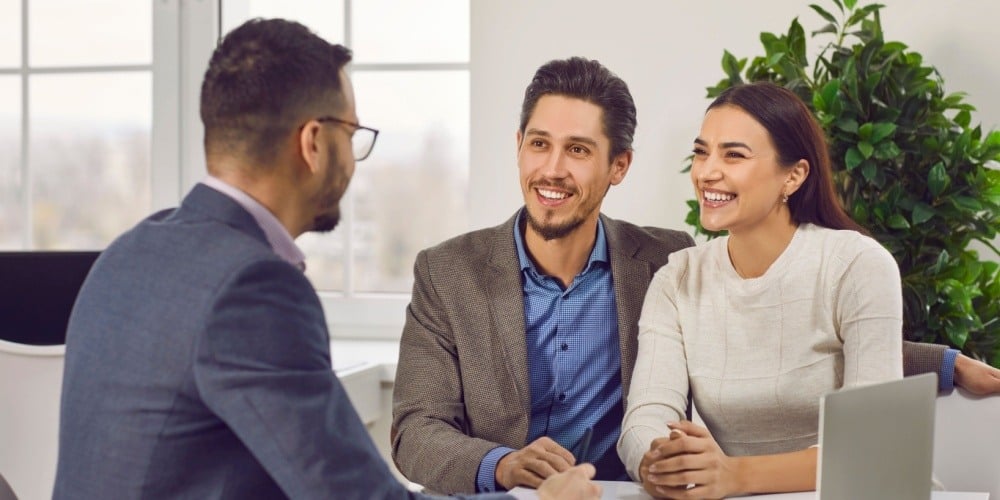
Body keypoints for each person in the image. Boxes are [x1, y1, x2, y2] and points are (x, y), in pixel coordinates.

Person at [391, 57, 1000, 497]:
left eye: (578, 150)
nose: (552, 168)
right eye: (539, 144)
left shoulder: (660, 259)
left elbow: (802, 334)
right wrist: (501, 465)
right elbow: (416, 429)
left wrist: (942, 364)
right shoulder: (449, 273)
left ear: (618, 165)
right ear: (518, 145)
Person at [53, 19, 601, 500]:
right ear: (313, 143)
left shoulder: (133, 249)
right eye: (352, 132)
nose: (355, 157)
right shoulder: (252, 288)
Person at [618, 81, 899, 498]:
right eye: (701, 152)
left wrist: (735, 475)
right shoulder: (677, 278)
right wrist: (659, 463)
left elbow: (870, 444)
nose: (707, 171)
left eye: (734, 155)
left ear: (794, 175)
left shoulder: (856, 265)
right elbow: (646, 416)